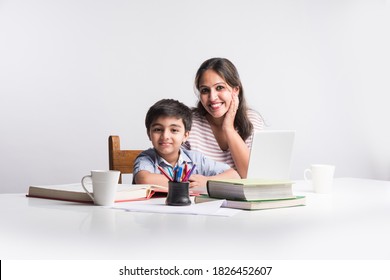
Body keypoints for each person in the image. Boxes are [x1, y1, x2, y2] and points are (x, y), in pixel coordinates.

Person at [133, 99, 240, 189]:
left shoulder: (195, 159)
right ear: (149, 133)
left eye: (174, 130)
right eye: (158, 129)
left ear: (185, 135)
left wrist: (206, 181)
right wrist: (187, 182)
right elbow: (144, 179)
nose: (165, 136)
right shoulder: (146, 158)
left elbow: (234, 176)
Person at [185, 57, 264, 178]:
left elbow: (250, 176)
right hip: (198, 196)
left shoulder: (252, 120)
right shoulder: (189, 121)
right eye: (205, 90)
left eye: (219, 88)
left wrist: (228, 128)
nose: (212, 97)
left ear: (235, 90)